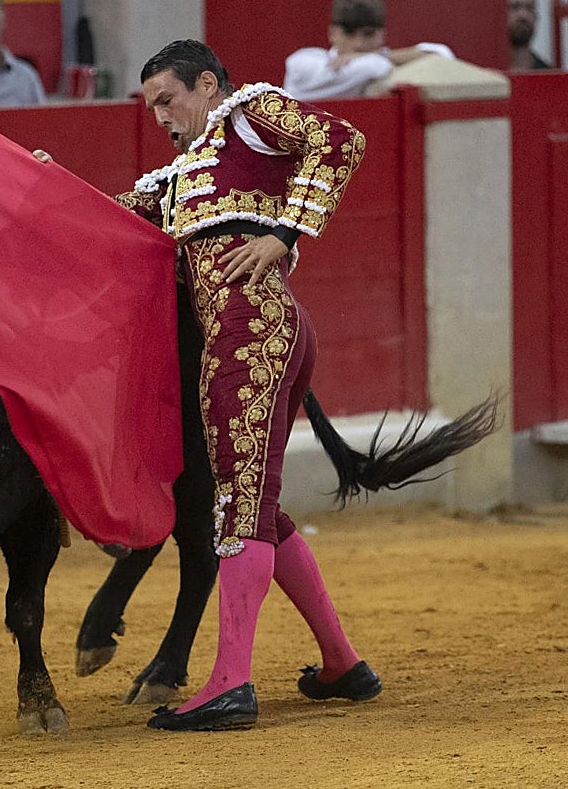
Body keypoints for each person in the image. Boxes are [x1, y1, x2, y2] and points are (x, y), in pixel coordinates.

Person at [116, 39, 379, 731]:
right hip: (255, 335)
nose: (162, 118)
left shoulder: (248, 113)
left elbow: (341, 140)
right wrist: (47, 182)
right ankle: (340, 664)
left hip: (252, 332)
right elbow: (107, 224)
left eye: (168, 100)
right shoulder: (176, 179)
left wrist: (287, 234)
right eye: (152, 109)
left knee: (234, 501)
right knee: (256, 500)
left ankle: (230, 681)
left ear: (207, 85)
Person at [284, 0, 453, 101]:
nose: (358, 44)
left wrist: (378, 55)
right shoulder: (305, 62)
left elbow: (443, 56)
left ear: (382, 34)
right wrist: (377, 55)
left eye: (368, 34)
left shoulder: (380, 59)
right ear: (333, 33)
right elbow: (372, 67)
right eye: (349, 34)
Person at [507, 0, 551, 70]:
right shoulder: (485, 74)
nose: (524, 15)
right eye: (514, 7)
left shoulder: (547, 74)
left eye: (530, 7)